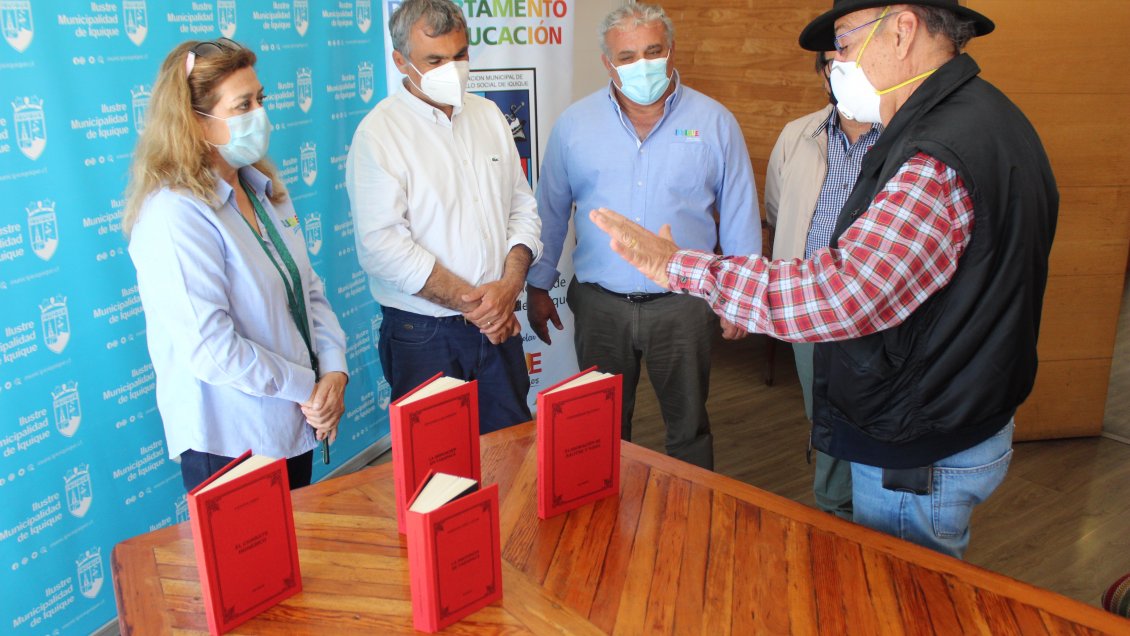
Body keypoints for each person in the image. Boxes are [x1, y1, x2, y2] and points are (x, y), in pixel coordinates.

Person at [589, 0, 1058, 559]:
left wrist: (674, 265)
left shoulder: (937, 153)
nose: (835, 61)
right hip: (961, 409)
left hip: (921, 440)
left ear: (903, 30)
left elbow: (842, 293)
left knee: (899, 590)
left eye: (844, 40)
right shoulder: (990, 115)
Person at [526, 3, 760, 470]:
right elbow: (550, 211)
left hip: (684, 306)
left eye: (653, 51)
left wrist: (743, 296)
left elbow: (738, 213)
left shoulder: (714, 123)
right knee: (602, 426)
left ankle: (692, 516)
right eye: (627, 56)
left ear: (671, 51)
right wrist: (537, 284)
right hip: (600, 306)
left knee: (689, 425)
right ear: (607, 63)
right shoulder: (575, 126)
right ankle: (605, 519)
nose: (642, 64)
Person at [125, 38, 349, 492]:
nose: (260, 115)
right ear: (196, 123)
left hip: (292, 427)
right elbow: (212, 348)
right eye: (243, 105)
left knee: (295, 562)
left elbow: (307, 290)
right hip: (231, 444)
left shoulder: (263, 191)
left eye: (260, 99)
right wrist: (308, 387)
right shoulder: (175, 213)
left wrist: (334, 372)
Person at [345, 0, 542, 433]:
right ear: (401, 61)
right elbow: (382, 248)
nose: (451, 69)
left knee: (512, 456)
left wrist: (509, 287)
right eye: (434, 60)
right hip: (424, 336)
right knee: (438, 474)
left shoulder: (489, 116)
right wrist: (478, 306)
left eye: (460, 56)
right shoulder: (379, 135)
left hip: (499, 322)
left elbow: (523, 209)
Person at [765, 51, 882, 520]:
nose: (843, 72)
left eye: (854, 60)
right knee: (825, 416)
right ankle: (833, 511)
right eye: (833, 63)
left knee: (875, 420)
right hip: (810, 307)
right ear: (822, 73)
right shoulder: (799, 134)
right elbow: (778, 210)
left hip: (877, 314)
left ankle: (876, 519)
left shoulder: (904, 136)